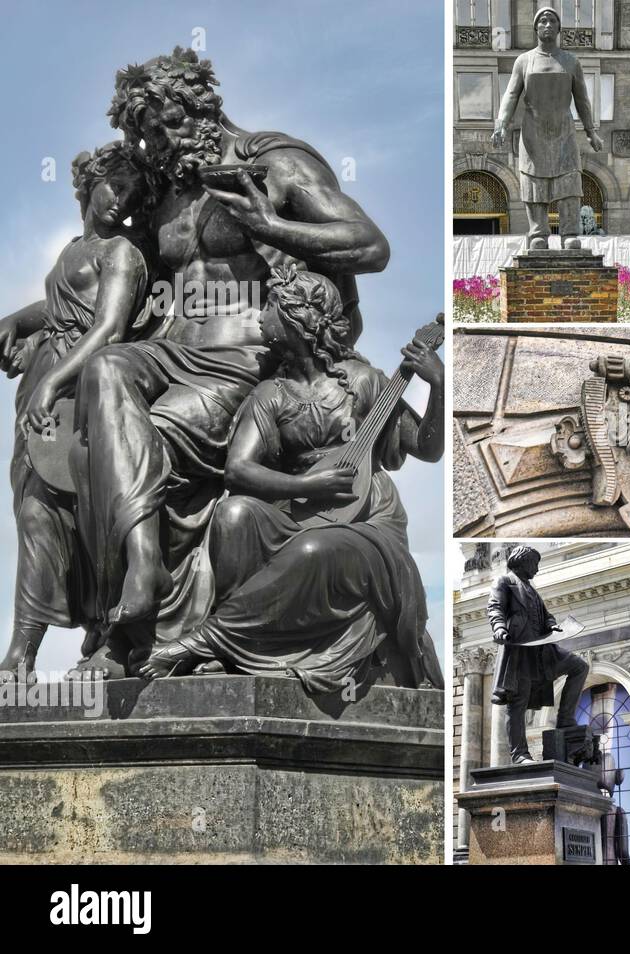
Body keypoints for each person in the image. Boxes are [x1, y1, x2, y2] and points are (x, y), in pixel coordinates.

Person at [65, 48, 389, 673]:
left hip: (245, 357)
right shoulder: (165, 191)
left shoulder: (275, 163)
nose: (158, 142)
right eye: (145, 134)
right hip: (167, 346)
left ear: (202, 106)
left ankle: (144, 627)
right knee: (98, 380)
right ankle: (142, 567)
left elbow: (370, 245)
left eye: (168, 124)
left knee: (148, 434)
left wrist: (269, 225)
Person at [137, 266, 443, 693]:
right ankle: (241, 647)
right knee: (234, 515)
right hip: (303, 508)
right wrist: (306, 487)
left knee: (315, 549)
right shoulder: (270, 395)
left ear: (299, 318)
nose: (260, 319)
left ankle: (211, 640)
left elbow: (429, 449)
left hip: (367, 522)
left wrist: (439, 384)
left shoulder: (364, 382)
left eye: (271, 308)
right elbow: (237, 471)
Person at [0, 141, 156, 680]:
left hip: (79, 390)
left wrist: (54, 385)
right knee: (33, 510)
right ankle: (30, 653)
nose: (122, 202)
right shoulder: (75, 247)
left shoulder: (123, 254)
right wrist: (17, 322)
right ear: (90, 182)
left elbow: (109, 327)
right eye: (115, 186)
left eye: (133, 195)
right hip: (47, 384)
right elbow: (57, 303)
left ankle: (23, 655)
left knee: (49, 513)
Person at [492, 7, 603, 251]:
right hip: (533, 133)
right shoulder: (524, 61)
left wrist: (590, 131)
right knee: (534, 184)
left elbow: (582, 100)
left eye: (552, 20)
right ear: (535, 28)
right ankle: (537, 234)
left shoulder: (571, 62)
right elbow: (511, 95)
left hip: (564, 132)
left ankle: (570, 233)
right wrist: (501, 123)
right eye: (542, 21)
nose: (547, 24)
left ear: (559, 27)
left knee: (569, 183)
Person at [487, 545, 589, 764]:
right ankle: (520, 754)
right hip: (520, 650)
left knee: (579, 666)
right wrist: (499, 628)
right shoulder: (505, 582)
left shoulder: (532, 590)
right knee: (517, 703)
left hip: (543, 651)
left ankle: (564, 719)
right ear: (523, 562)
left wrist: (552, 626)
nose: (537, 569)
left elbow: (546, 615)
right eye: (535, 564)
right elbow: (494, 607)